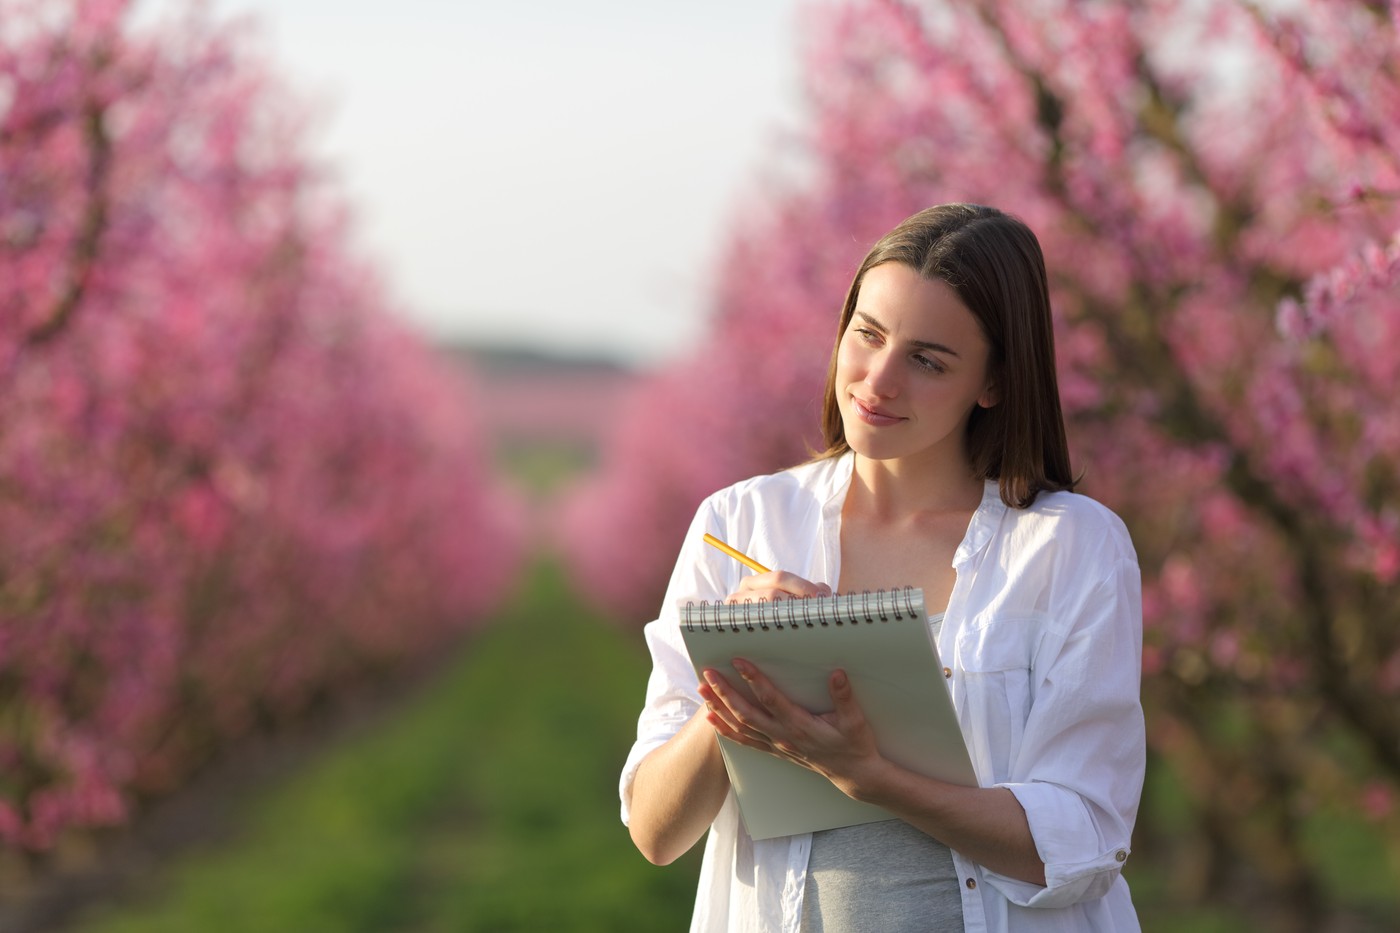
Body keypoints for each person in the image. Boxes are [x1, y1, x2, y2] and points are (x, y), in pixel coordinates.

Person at [620, 203, 1145, 932]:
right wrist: (742, 671)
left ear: (993, 382)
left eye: (928, 360)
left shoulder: (1070, 547)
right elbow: (655, 829)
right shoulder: (739, 524)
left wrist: (875, 780)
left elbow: (1086, 836)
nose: (879, 379)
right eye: (867, 335)